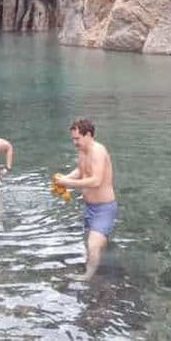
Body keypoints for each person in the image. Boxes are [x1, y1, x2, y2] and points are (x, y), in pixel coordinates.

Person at [54, 118, 117, 281]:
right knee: (91, 244)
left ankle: (88, 276)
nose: (75, 142)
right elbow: (81, 170)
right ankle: (103, 255)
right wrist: (64, 179)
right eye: (73, 139)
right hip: (89, 206)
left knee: (93, 245)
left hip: (104, 207)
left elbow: (96, 180)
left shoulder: (98, 151)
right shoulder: (83, 150)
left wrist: (68, 183)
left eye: (77, 138)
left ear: (88, 134)